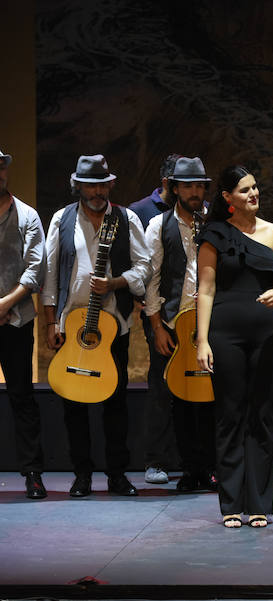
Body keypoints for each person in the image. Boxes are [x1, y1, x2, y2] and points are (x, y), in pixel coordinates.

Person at [196, 165, 273, 528]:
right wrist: (201, 340)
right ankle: (230, 504)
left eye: (255, 187)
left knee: (262, 413)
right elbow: (205, 291)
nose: (254, 194)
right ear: (227, 198)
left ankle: (258, 502)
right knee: (229, 415)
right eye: (245, 190)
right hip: (224, 335)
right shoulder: (213, 235)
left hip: (268, 334)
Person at [42, 154, 151, 497]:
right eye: (91, 184)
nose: (97, 190)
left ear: (110, 185)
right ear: (78, 185)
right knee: (73, 404)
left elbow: (145, 266)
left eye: (103, 183)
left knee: (115, 404)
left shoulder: (125, 218)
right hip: (71, 323)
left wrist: (116, 283)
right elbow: (48, 274)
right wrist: (49, 321)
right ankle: (82, 475)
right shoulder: (62, 219)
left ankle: (117, 475)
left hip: (113, 326)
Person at [144, 157, 217, 493]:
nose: (195, 192)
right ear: (174, 188)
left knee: (212, 396)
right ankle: (189, 468)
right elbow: (152, 280)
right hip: (173, 322)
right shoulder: (159, 225)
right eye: (188, 186)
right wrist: (158, 327)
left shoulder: (216, 223)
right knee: (178, 396)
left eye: (200, 186)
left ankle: (212, 467)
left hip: (209, 324)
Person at [0, 146, 48, 499]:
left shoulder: (27, 215)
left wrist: (5, 303)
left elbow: (36, 268)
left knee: (22, 396)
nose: (0, 173)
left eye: (2, 168)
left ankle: (33, 473)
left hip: (16, 319)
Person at [133, 153, 181, 485]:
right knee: (161, 384)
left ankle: (194, 460)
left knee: (196, 385)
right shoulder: (140, 212)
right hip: (156, 314)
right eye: (183, 184)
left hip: (192, 314)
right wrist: (146, 309)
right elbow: (134, 264)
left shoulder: (199, 214)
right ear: (167, 183)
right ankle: (155, 460)